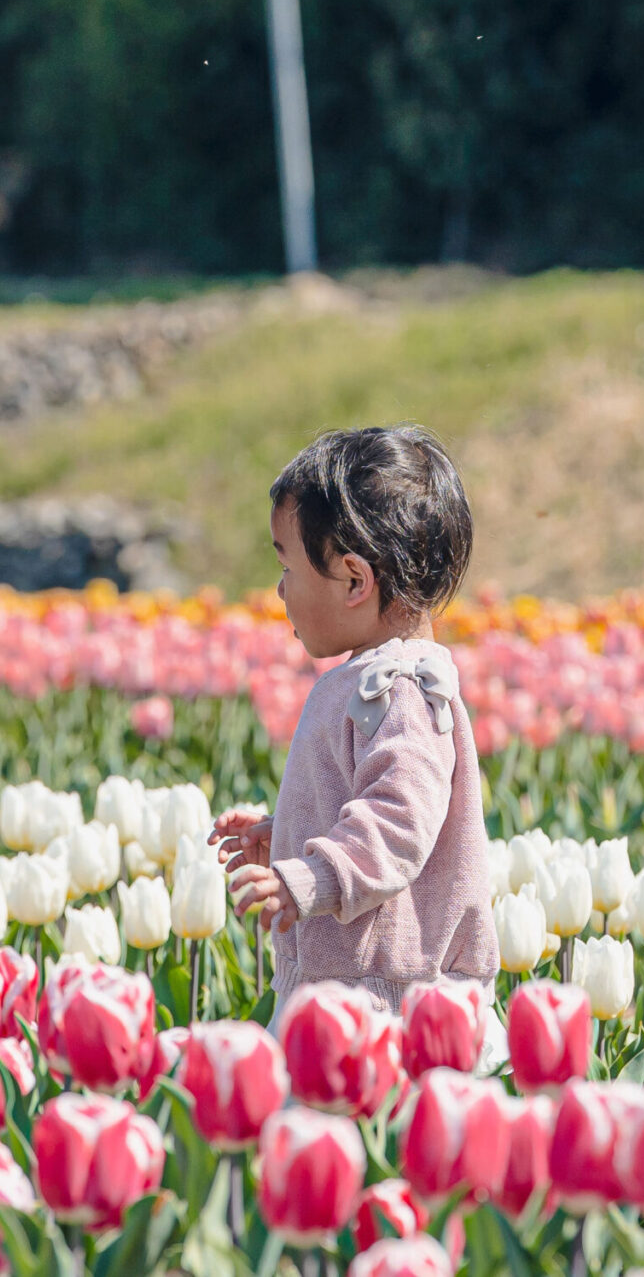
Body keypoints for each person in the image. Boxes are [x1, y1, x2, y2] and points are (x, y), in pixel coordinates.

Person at [215, 425, 496, 1015]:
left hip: (383, 1007)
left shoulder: (403, 693)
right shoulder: (374, 680)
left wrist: (314, 875)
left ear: (353, 579)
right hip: (351, 987)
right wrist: (288, 830)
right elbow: (365, 794)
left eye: (288, 566)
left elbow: (398, 821)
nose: (279, 588)